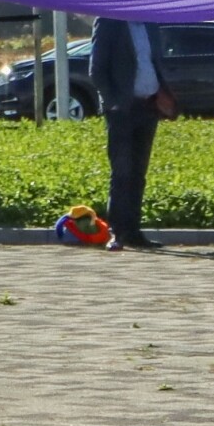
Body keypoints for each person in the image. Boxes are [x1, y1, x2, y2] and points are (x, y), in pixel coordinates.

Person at [86, 13, 176, 250]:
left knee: (138, 172)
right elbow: (97, 68)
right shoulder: (109, 21)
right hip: (121, 109)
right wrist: (112, 102)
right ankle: (117, 232)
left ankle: (134, 231)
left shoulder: (150, 22)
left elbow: (155, 61)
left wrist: (162, 92)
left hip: (148, 106)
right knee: (122, 171)